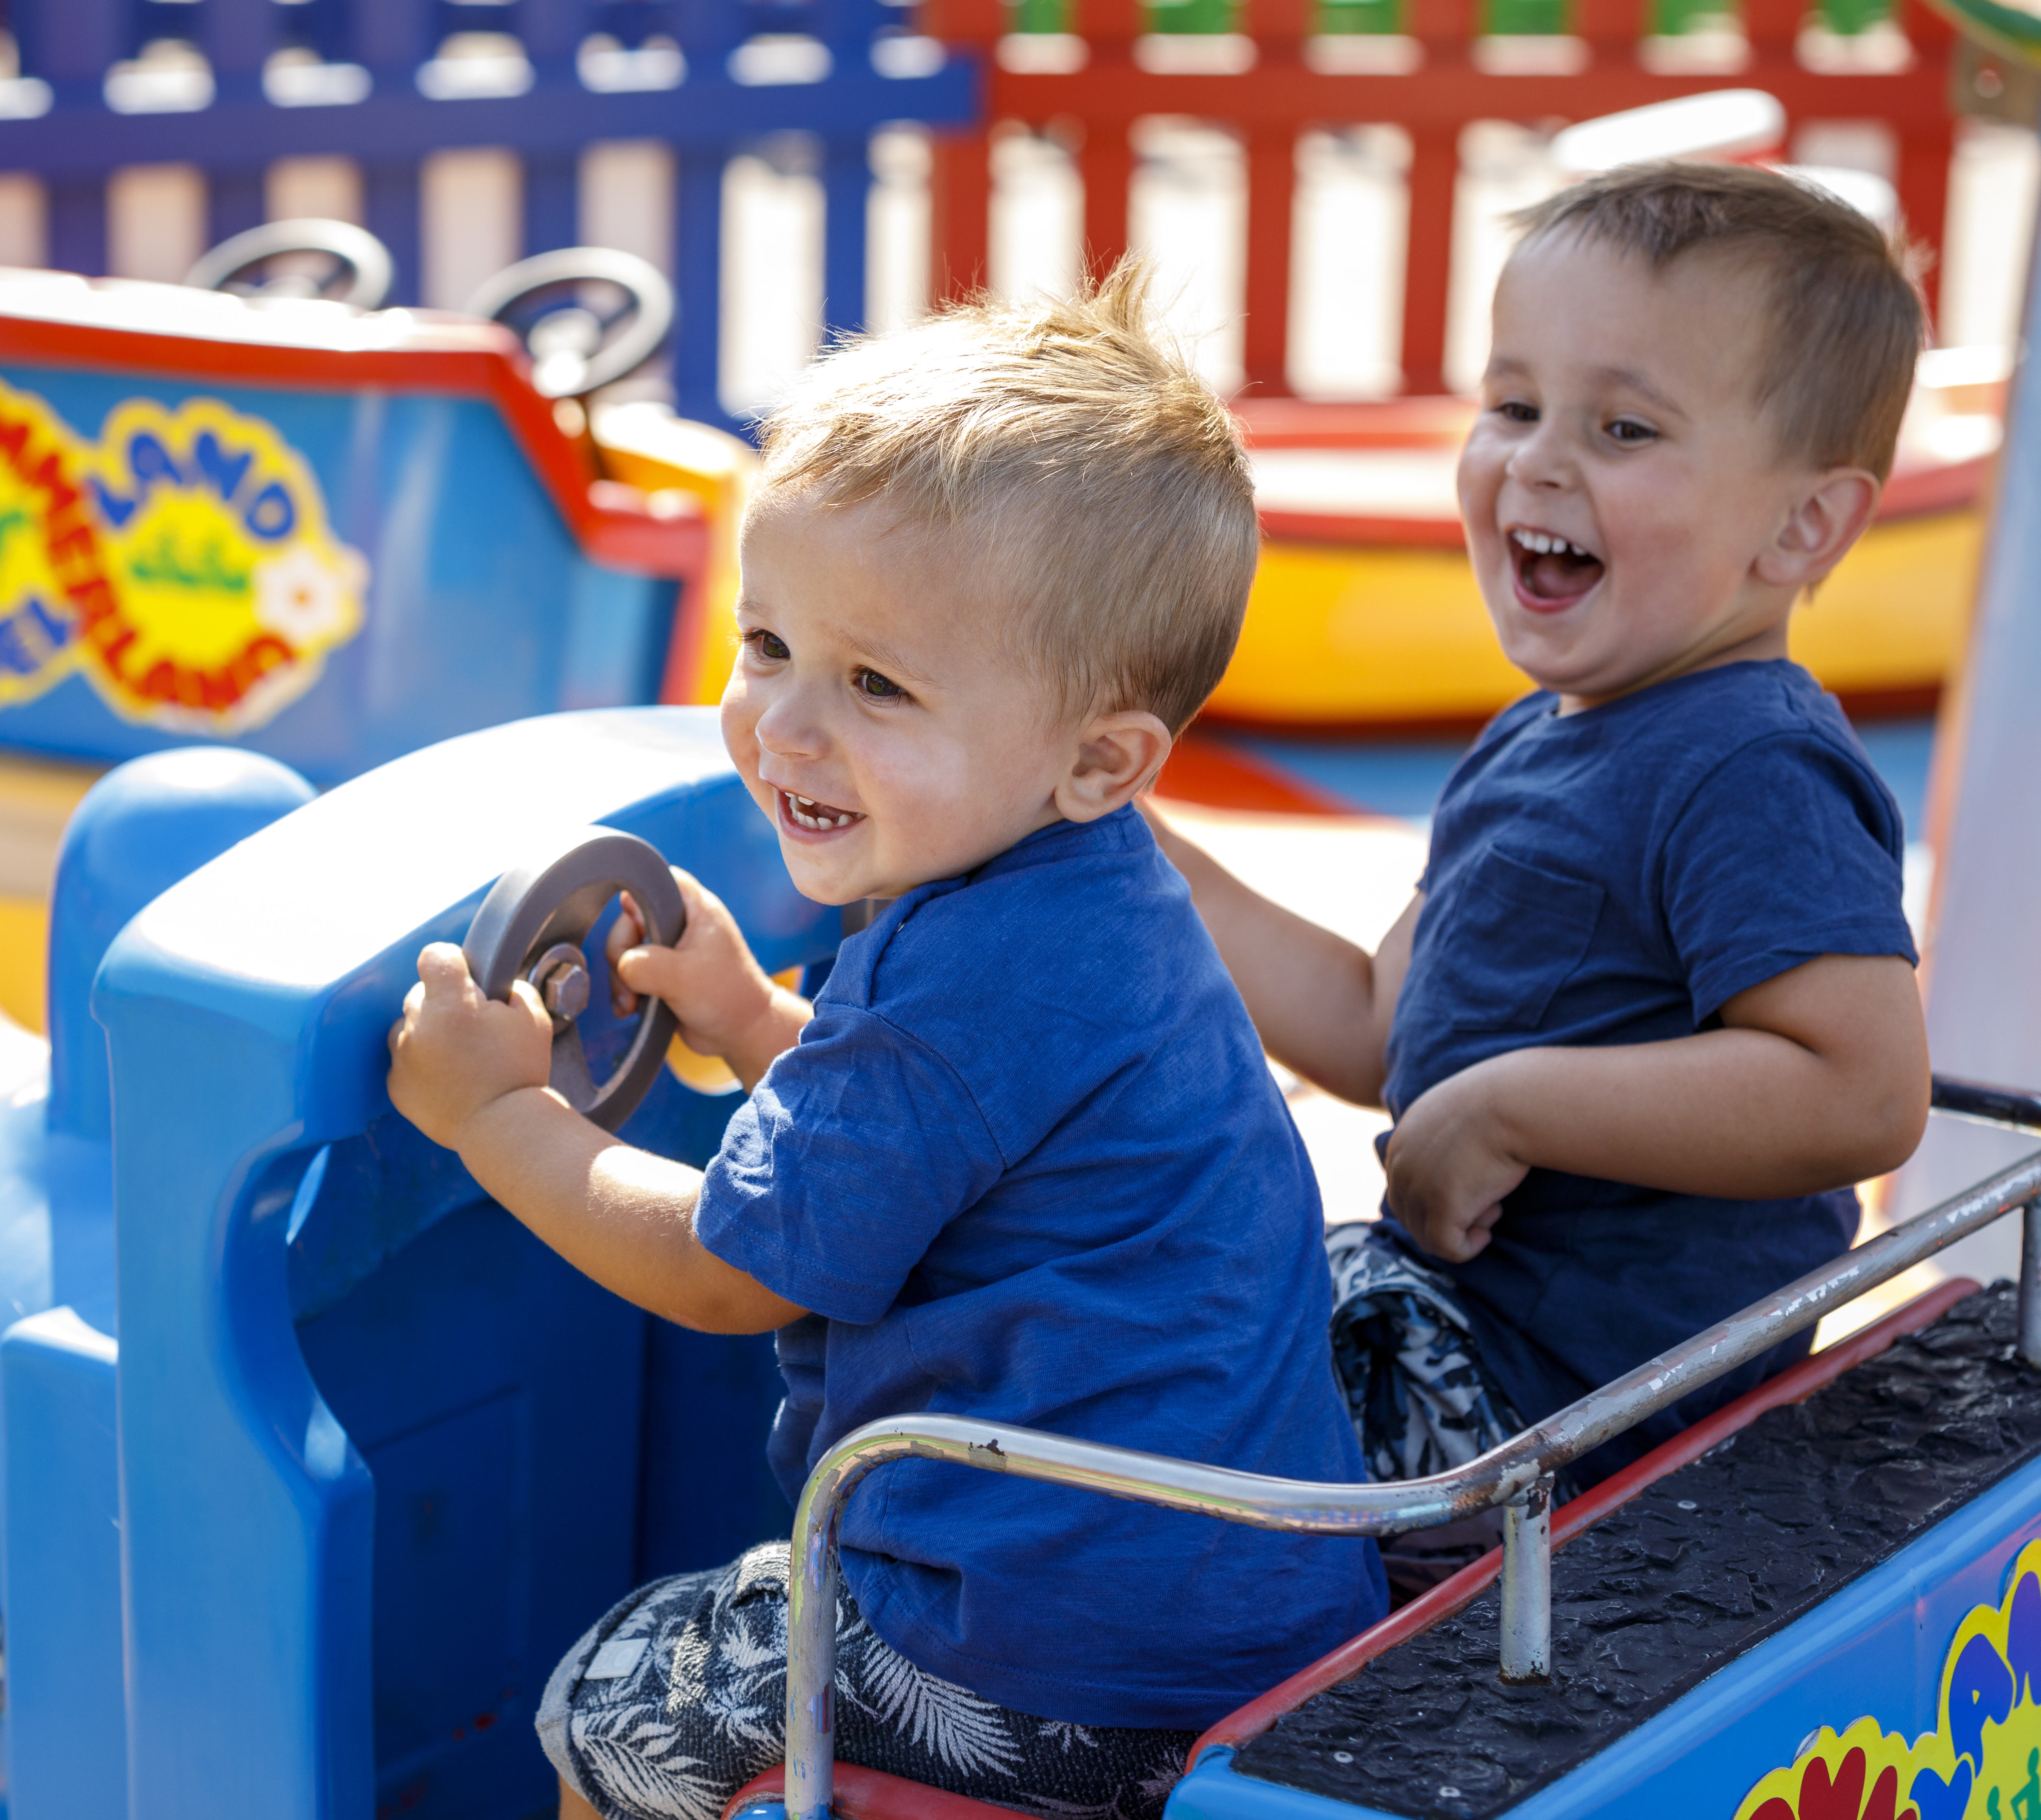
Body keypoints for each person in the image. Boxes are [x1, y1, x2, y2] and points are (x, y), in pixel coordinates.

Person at [384, 262, 1386, 1820]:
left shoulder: (961, 974)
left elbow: (728, 1270)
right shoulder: (1089, 893)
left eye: (876, 684)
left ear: (1100, 755)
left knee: (614, 1695)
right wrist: (751, 1023)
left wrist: (499, 1116)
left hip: (1039, 1656)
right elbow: (961, 1153)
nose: (784, 727)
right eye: (768, 642)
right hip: (1241, 1596)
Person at [1158, 162, 1934, 1532]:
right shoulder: (1541, 737)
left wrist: (1512, 1104)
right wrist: (1133, 843)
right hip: (1451, 1339)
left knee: (1120, 1355)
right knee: (1124, 1276)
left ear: (1803, 523)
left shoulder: (1749, 762)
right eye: (1513, 406)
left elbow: (1860, 1093)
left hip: (1558, 1410)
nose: (1540, 458)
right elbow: (1369, 1025)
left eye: (1625, 427)